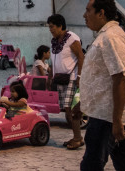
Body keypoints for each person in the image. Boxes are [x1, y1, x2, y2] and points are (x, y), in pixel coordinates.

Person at [80, 0, 125, 171]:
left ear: (101, 13)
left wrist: (117, 120)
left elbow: (120, 78)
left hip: (107, 117)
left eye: (88, 10)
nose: (84, 15)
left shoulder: (111, 38)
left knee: (91, 165)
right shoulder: (105, 35)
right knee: (124, 163)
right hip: (105, 114)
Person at [48, 13, 84, 150]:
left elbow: (81, 57)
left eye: (52, 27)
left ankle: (77, 138)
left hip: (72, 79)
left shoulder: (72, 39)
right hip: (60, 79)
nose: (50, 30)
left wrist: (80, 77)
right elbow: (54, 60)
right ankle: (77, 137)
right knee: (67, 109)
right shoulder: (55, 41)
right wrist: (50, 76)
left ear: (60, 26)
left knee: (73, 110)